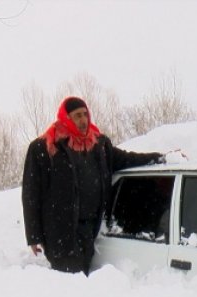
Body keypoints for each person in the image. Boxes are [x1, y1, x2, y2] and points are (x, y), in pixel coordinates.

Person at [22, 96, 166, 275]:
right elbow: (31, 193)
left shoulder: (99, 144)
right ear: (66, 118)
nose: (83, 120)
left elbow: (126, 159)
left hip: (89, 228)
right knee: (70, 280)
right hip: (60, 229)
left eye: (85, 115)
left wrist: (159, 158)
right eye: (77, 116)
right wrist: (33, 235)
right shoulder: (45, 148)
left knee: (84, 277)